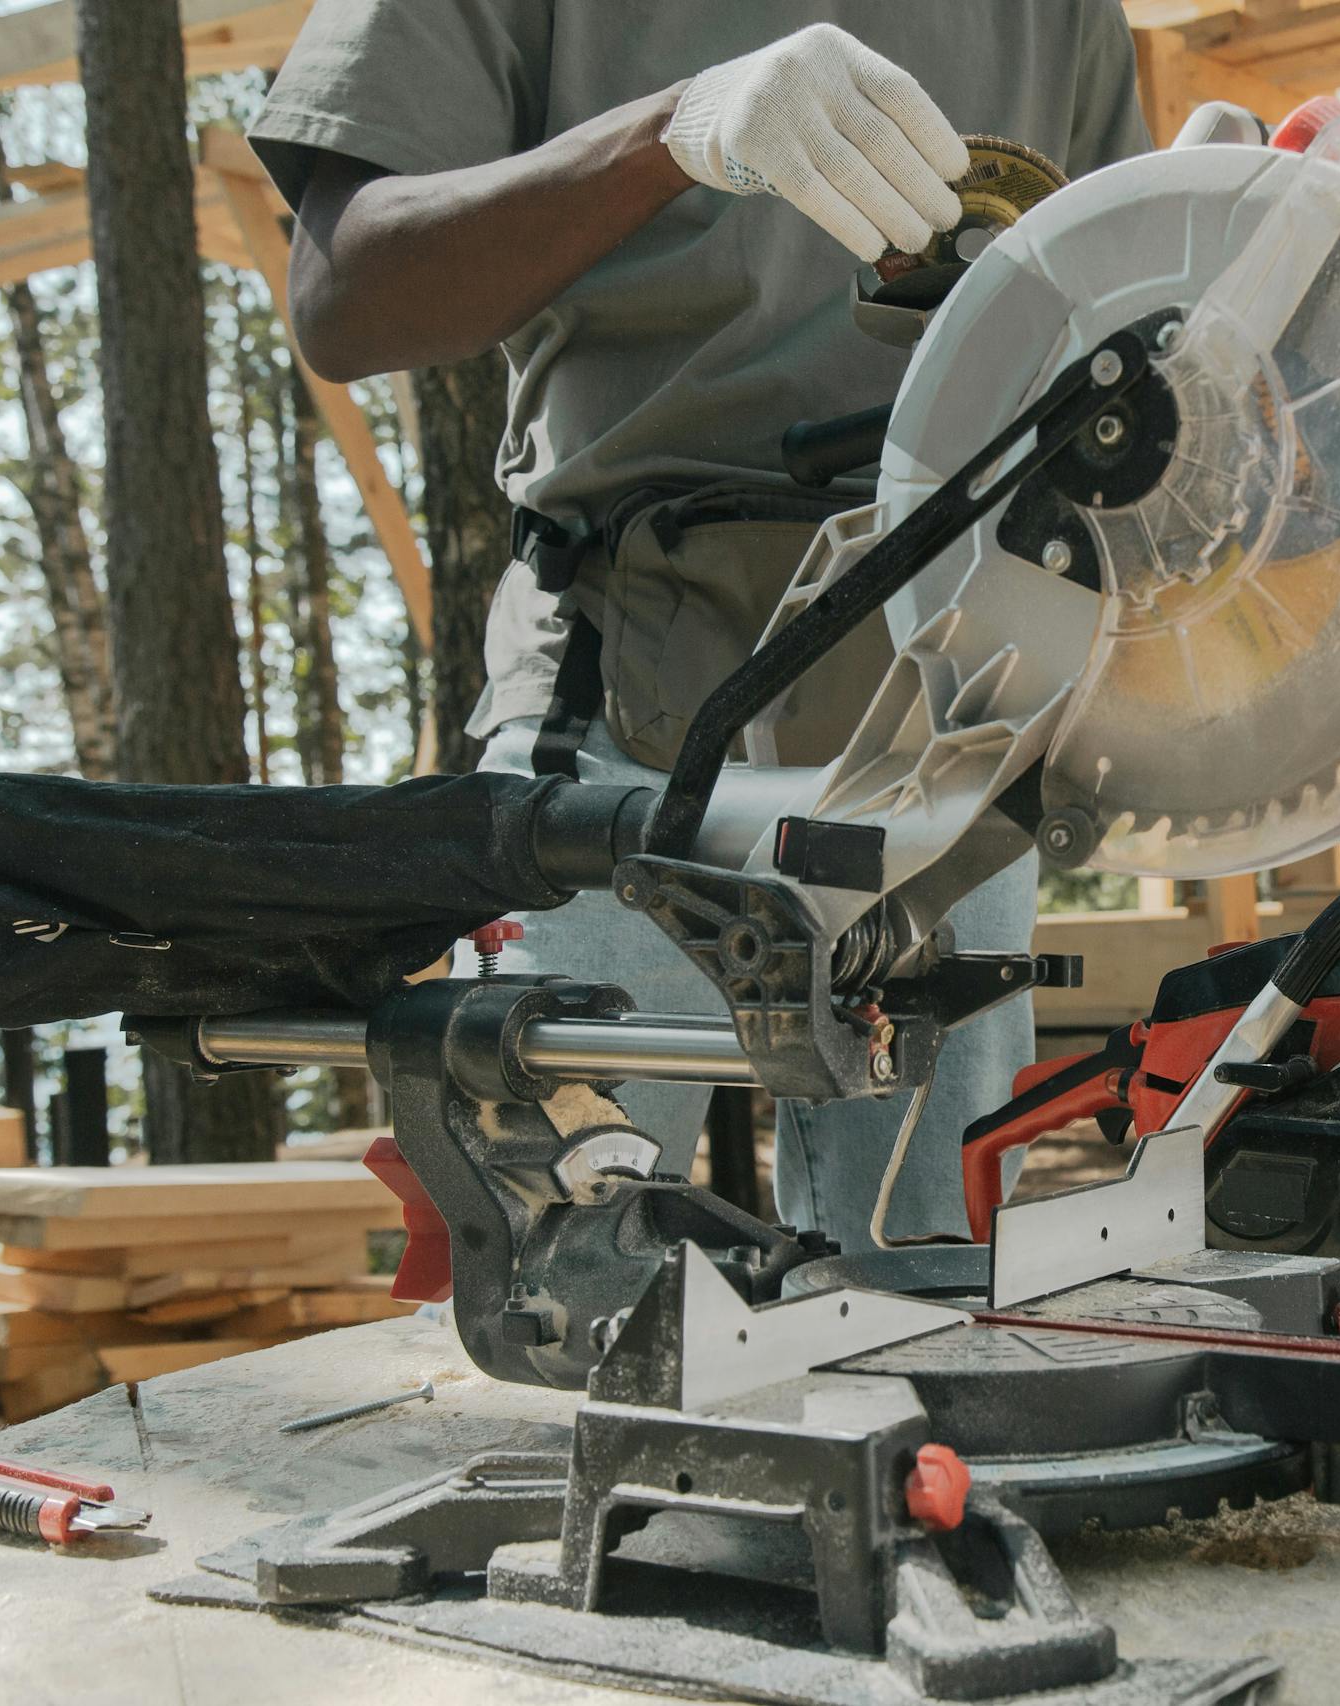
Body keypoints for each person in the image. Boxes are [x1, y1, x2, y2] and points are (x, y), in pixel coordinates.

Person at [249, 6, 1153, 1245]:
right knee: (557, 1270)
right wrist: (674, 133)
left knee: (941, 1279)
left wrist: (1252, 253)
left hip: (953, 711)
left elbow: (1122, 328)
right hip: (624, 702)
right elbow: (347, 295)